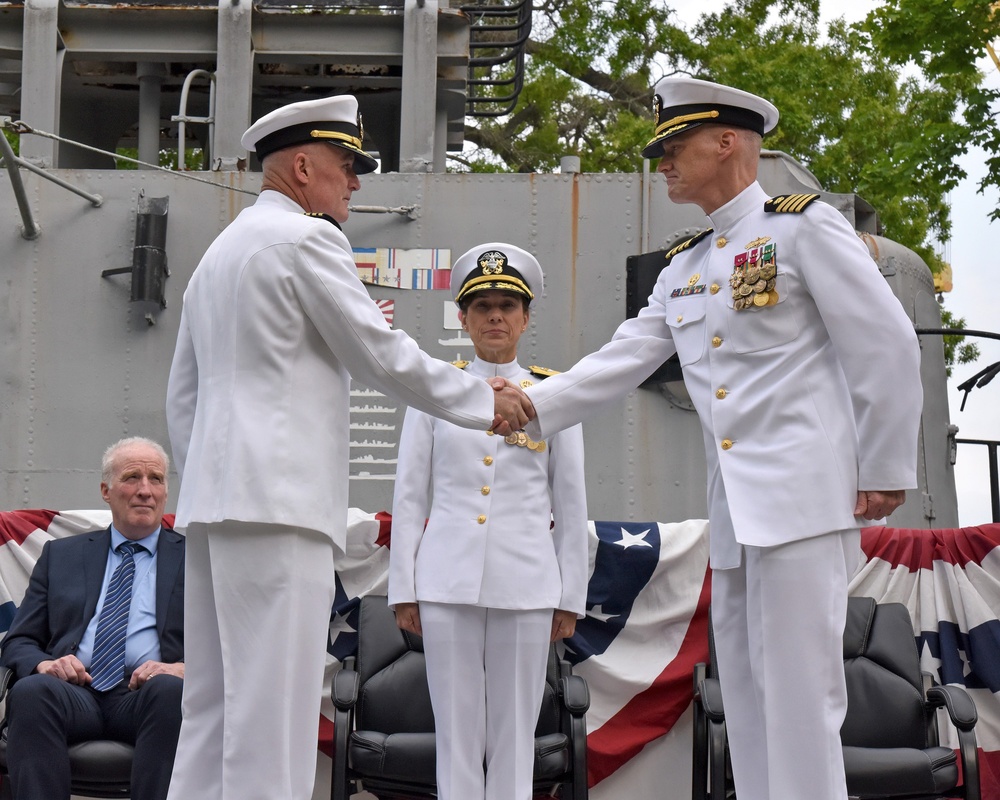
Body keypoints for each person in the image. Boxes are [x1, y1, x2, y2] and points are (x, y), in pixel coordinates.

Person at [520, 76, 923, 800]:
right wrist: (525, 406)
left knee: (802, 700)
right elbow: (622, 359)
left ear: (728, 142)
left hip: (804, 504)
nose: (662, 163)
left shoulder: (804, 229)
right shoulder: (686, 265)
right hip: (736, 519)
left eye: (674, 147)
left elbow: (885, 342)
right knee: (750, 697)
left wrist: (884, 462)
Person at [164, 94, 533, 800]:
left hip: (215, 510)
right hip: (281, 509)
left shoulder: (221, 252)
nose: (356, 183)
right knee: (274, 713)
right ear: (302, 167)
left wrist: (210, 483)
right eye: (346, 165)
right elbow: (380, 352)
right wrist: (479, 401)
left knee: (210, 709)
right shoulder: (307, 240)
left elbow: (185, 393)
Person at [388, 243, 589, 800]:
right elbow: (409, 496)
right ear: (462, 317)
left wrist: (570, 594)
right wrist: (404, 587)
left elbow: (571, 504)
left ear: (526, 317)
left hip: (525, 583)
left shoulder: (555, 394)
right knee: (454, 729)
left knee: (515, 731)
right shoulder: (433, 389)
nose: (495, 316)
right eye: (482, 307)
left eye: (507, 305)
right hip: (447, 579)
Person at [0, 437, 184, 800]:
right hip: (74, 694)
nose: (145, 490)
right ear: (106, 490)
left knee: (171, 691)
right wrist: (45, 666)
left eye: (157, 479)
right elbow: (18, 642)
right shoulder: (61, 556)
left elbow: (228, 644)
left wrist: (183, 668)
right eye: (132, 477)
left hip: (147, 697)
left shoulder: (195, 560)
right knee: (32, 691)